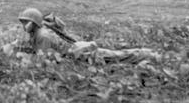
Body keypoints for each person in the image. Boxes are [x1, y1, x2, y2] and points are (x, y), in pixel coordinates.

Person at [17, 7, 159, 63]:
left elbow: (42, 59)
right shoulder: (37, 32)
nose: (24, 25)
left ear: (34, 22)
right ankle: (147, 54)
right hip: (77, 51)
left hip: (81, 52)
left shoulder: (43, 35)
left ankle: (150, 54)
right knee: (117, 56)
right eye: (23, 22)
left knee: (119, 56)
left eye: (26, 22)